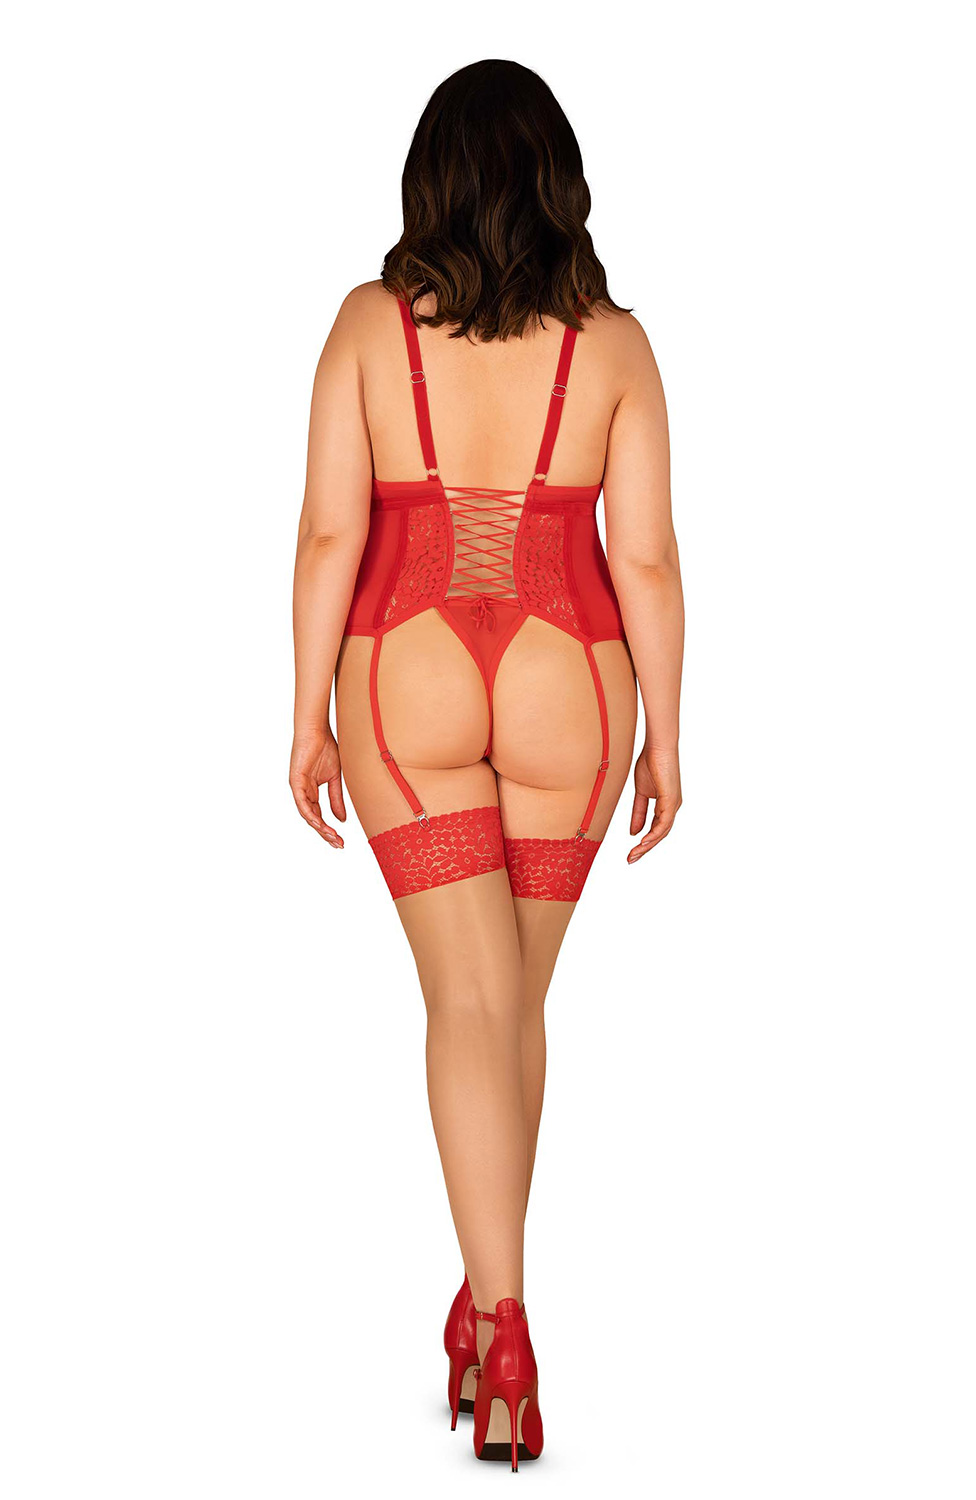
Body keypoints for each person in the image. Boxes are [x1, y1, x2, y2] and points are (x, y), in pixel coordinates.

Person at [290, 58, 684, 1469]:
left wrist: (305, 712)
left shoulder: (367, 324)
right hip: (571, 675)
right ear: (559, 185)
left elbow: (332, 535)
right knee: (511, 1006)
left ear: (431, 182)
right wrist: (671, 730)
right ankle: (492, 1307)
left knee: (471, 1002)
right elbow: (644, 558)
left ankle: (498, 1325)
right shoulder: (617, 347)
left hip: (405, 665)